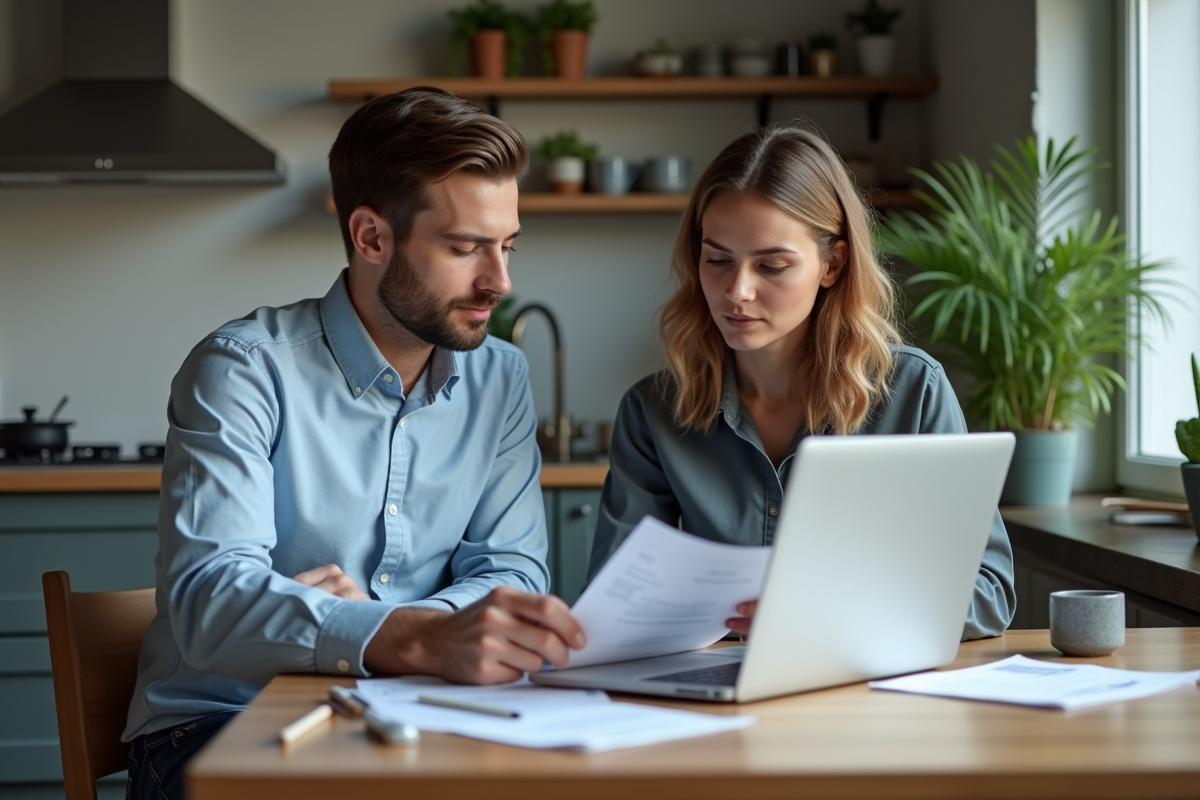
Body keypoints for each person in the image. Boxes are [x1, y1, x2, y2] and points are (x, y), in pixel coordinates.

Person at [122, 87, 585, 799]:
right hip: (219, 727)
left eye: (507, 246)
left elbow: (513, 573)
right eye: (465, 248)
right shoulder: (243, 369)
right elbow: (211, 605)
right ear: (371, 237)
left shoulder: (501, 378)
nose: (500, 281)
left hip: (412, 715)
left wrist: (378, 625)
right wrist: (413, 636)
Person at [588, 124, 1016, 641]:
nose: (737, 291)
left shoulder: (914, 392)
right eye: (717, 260)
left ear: (832, 264)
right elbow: (613, 606)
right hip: (719, 685)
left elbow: (988, 592)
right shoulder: (653, 411)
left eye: (772, 266)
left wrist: (825, 610)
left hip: (861, 684)